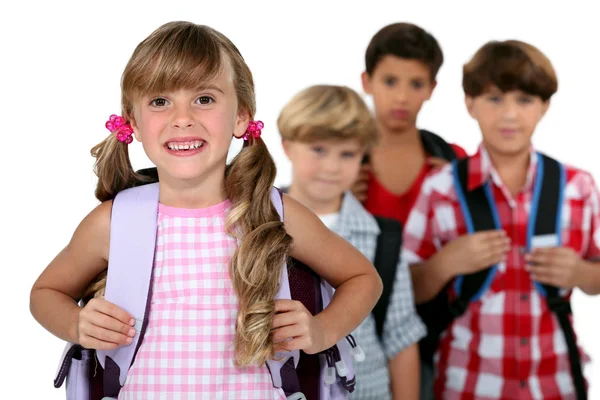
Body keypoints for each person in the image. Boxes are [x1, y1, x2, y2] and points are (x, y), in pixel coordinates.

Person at [29, 21, 382, 399]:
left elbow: (363, 278)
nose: (182, 119)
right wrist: (76, 323)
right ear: (133, 121)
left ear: (242, 116)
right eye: (160, 101)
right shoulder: (116, 222)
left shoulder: (273, 213)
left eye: (204, 99)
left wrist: (323, 331)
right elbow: (45, 293)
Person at [405, 39, 600, 399]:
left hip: (556, 383)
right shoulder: (441, 188)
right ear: (470, 104)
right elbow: (404, 290)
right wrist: (444, 265)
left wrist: (583, 274)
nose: (509, 114)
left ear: (544, 107)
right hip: (466, 383)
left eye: (524, 100)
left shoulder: (578, 186)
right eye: (494, 98)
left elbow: (597, 274)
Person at [279, 84, 425, 399]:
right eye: (318, 149)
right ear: (288, 146)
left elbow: (401, 336)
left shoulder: (382, 238)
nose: (332, 166)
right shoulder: (255, 221)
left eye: (347, 154)